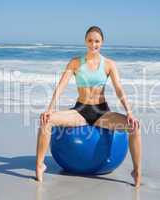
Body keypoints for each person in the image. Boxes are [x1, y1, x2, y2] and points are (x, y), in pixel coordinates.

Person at [35, 26, 142, 187]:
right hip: (80, 111)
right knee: (46, 120)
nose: (94, 44)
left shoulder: (109, 64)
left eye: (97, 41)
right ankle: (40, 164)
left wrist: (129, 112)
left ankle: (137, 171)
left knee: (134, 126)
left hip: (102, 113)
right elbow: (61, 86)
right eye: (90, 41)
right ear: (85, 41)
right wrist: (50, 109)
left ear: (102, 42)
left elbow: (119, 89)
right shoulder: (75, 63)